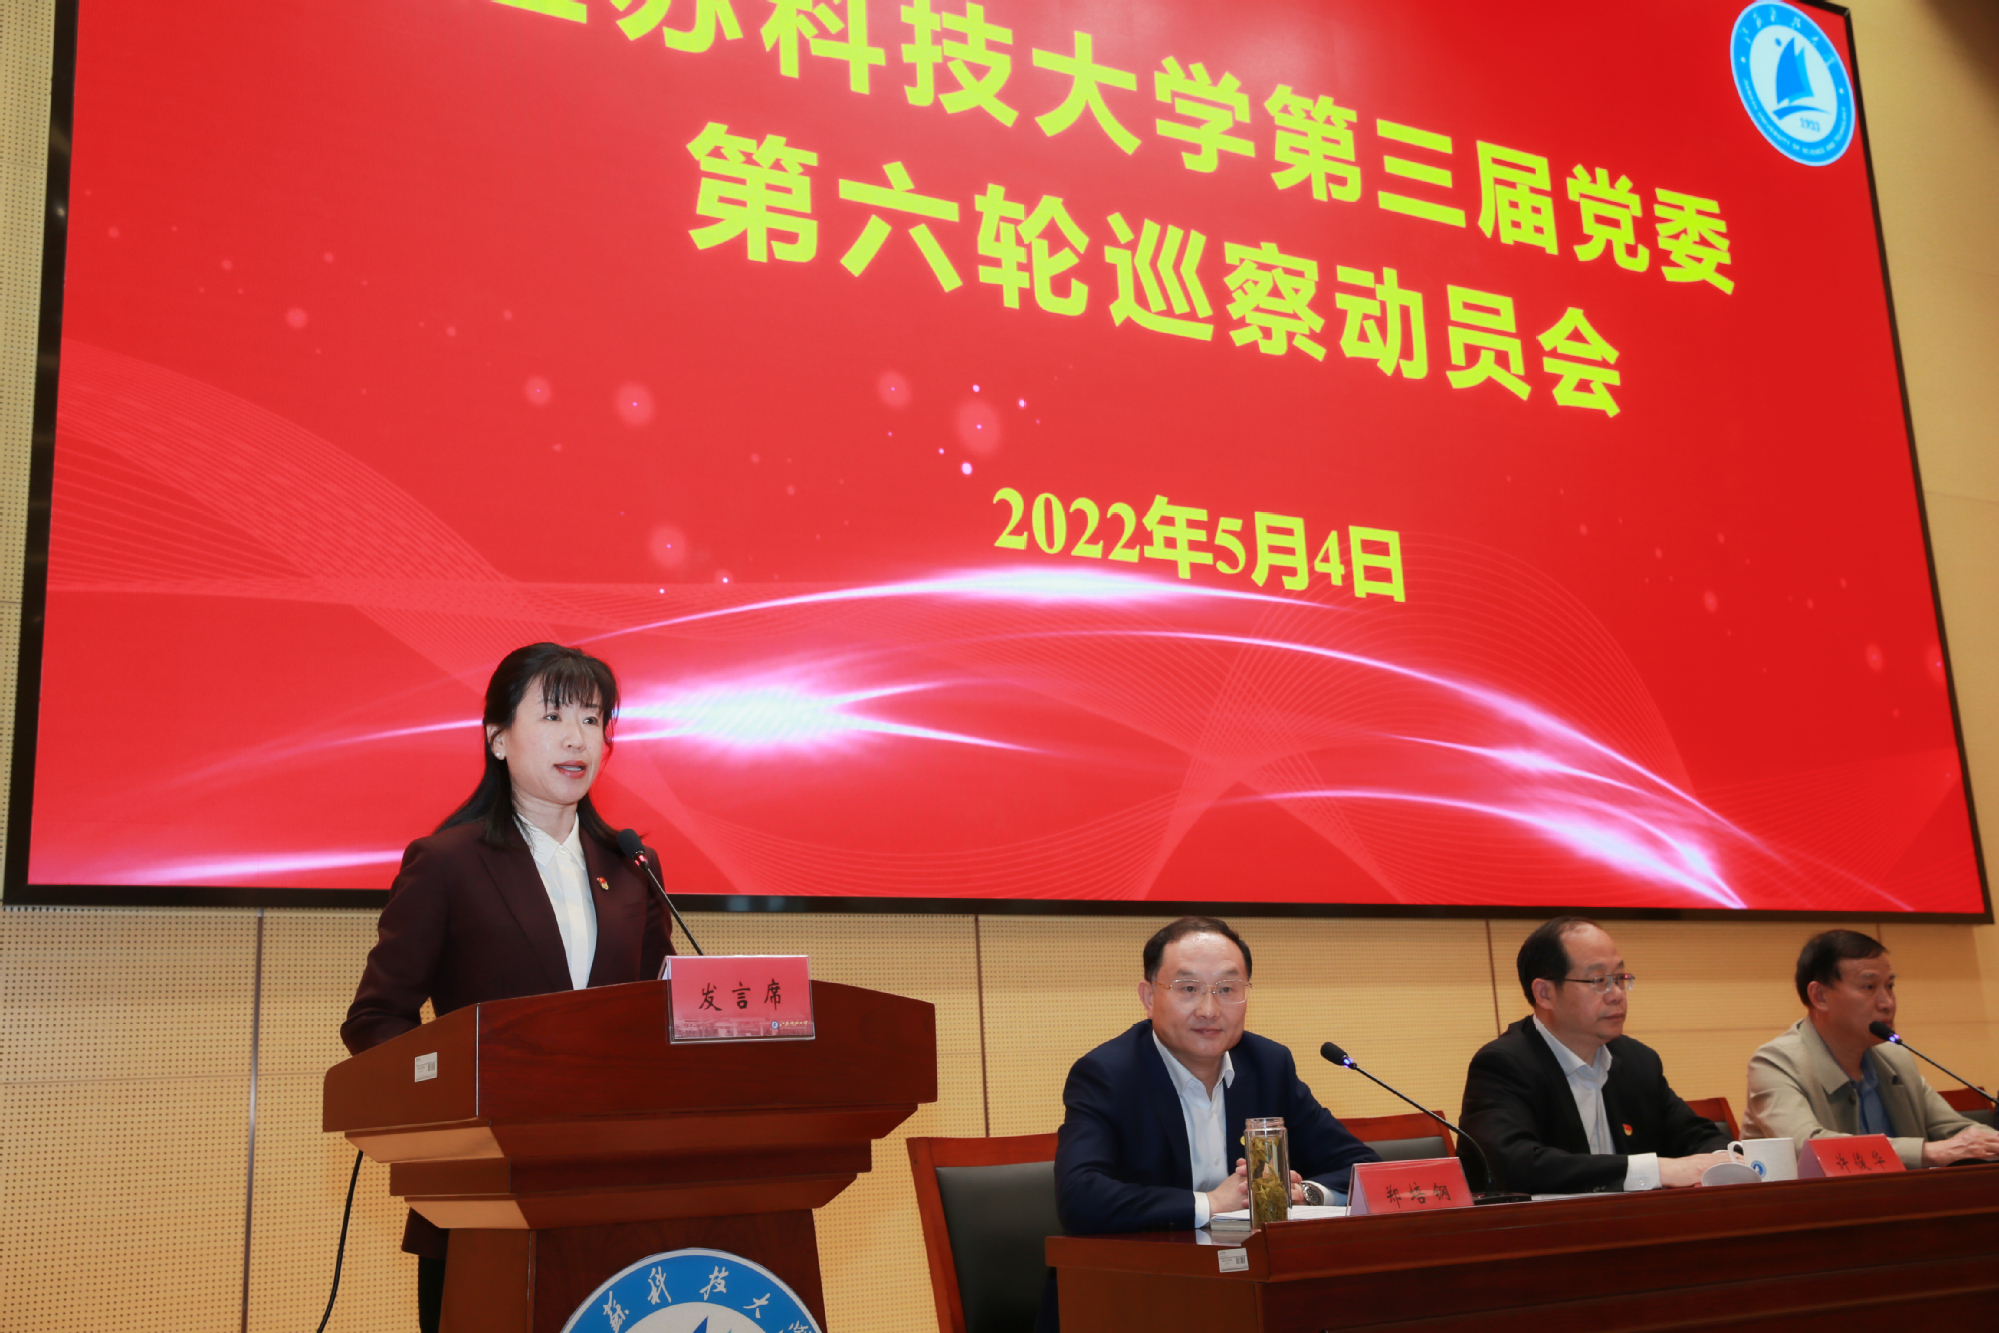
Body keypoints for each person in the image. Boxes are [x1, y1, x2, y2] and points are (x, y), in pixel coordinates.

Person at [342, 643, 672, 1333]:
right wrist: (449, 1117)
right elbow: (377, 1016)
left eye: (592, 718)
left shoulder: (632, 865)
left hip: (617, 1195)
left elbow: (658, 1013)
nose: (578, 738)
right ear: (497, 737)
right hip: (482, 1197)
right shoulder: (447, 863)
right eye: (553, 716)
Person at [1042, 917, 1378, 1330]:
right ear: (1148, 997)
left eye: (1227, 989)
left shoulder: (1268, 1065)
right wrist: (1211, 1204)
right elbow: (1080, 1198)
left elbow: (1364, 1170)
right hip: (1131, 1298)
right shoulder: (1108, 1074)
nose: (1209, 1009)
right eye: (1188, 989)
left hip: (1247, 1295)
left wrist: (1304, 1193)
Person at [1458, 917, 1729, 1194]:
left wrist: (1723, 1162)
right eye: (1599, 981)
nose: (1616, 995)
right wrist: (1656, 1170)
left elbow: (1698, 1137)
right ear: (1545, 993)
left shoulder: (1637, 1061)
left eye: (1620, 979)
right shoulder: (1503, 1065)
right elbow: (1516, 1166)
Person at [1743, 929, 1999, 1167]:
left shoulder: (1894, 1058)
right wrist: (1928, 1152)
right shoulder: (1775, 1062)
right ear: (1820, 996)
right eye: (1869, 987)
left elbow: (1958, 1132)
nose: (1888, 1003)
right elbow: (1806, 1147)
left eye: (1889, 986)